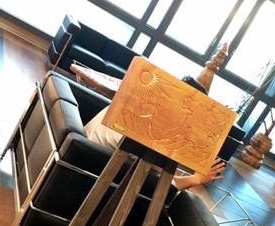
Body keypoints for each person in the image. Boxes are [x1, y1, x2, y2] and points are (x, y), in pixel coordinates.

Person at [84, 75, 226, 191]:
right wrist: (196, 179)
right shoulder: (149, 131)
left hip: (85, 157)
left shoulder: (136, 105)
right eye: (190, 110)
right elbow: (163, 187)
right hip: (90, 176)